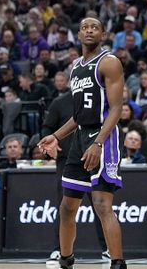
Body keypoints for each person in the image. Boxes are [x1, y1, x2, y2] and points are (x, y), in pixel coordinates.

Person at [37, 17, 127, 269]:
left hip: (103, 137)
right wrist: (56, 136)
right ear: (78, 34)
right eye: (85, 27)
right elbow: (77, 116)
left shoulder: (109, 63)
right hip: (79, 138)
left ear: (103, 34)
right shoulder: (76, 66)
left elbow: (117, 108)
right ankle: (66, 259)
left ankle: (118, 263)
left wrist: (98, 143)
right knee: (67, 206)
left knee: (101, 204)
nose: (89, 30)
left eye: (94, 27)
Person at [40, 73, 107, 262]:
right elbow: (47, 128)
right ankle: (59, 249)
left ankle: (107, 249)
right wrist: (52, 145)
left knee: (100, 205)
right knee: (65, 206)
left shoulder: (96, 98)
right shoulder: (59, 103)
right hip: (67, 160)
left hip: (93, 158)